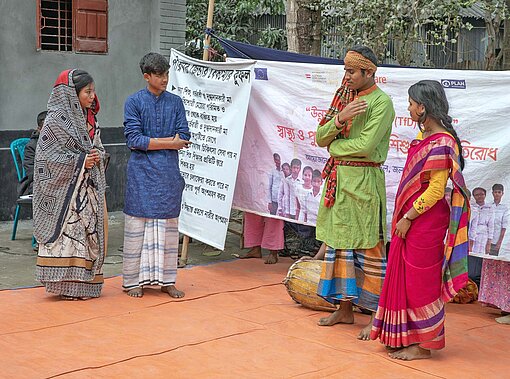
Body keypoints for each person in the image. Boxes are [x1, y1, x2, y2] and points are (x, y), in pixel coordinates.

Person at [370, 80, 470, 360]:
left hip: (424, 222)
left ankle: (425, 345)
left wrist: (408, 218)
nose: (409, 108)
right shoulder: (430, 139)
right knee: (406, 278)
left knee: (421, 282)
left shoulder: (442, 143)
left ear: (423, 107)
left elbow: (436, 192)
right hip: (415, 221)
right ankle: (403, 336)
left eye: (412, 103)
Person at [315, 45, 395, 339]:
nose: (346, 76)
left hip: (363, 181)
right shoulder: (344, 98)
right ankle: (345, 310)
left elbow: (365, 146)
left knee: (368, 247)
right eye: (345, 70)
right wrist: (340, 118)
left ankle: (377, 315)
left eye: (351, 71)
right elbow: (319, 136)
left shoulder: (382, 103)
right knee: (340, 246)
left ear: (369, 72)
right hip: (340, 181)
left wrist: (334, 147)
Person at [34, 69, 107, 300]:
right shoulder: (55, 121)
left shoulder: (91, 119)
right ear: (72, 95)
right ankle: (64, 287)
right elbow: (47, 158)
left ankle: (85, 285)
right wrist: (80, 161)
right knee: (69, 235)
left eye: (93, 91)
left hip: (88, 189)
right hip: (63, 193)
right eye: (87, 92)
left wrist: (96, 156)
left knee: (88, 235)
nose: (92, 96)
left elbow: (100, 148)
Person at [122, 52, 191, 298]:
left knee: (169, 228)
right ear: (146, 76)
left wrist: (165, 143)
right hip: (141, 174)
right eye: (160, 75)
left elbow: (184, 136)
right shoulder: (134, 102)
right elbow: (134, 140)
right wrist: (168, 143)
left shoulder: (176, 102)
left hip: (168, 174)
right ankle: (133, 282)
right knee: (137, 226)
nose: (164, 79)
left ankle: (167, 280)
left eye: (166, 74)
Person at [468, 187, 494, 286]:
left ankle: (479, 285)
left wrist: (489, 242)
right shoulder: (472, 207)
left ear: (485, 195)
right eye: (477, 194)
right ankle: (470, 283)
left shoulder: (490, 208)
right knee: (471, 259)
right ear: (474, 196)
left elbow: (491, 225)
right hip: (472, 236)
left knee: (480, 260)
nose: (479, 196)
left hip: (483, 237)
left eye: (481, 194)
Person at [17, 111, 47, 197]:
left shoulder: (59, 143)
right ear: (39, 129)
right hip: (37, 184)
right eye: (46, 129)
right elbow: (32, 172)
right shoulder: (31, 146)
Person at [489, 184, 508, 256]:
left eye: (499, 192)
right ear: (492, 193)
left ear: (502, 193)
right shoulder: (488, 206)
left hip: (496, 241)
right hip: (486, 239)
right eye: (495, 192)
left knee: (492, 262)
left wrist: (499, 243)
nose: (497, 194)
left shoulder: (505, 208)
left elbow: (504, 227)